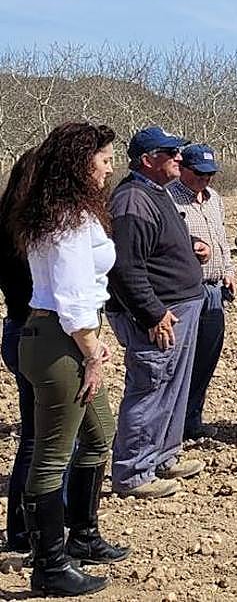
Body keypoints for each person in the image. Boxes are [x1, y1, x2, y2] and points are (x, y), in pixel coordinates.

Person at [9, 122, 128, 596]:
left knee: (99, 435)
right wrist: (92, 351)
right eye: (103, 160)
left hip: (56, 337)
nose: (108, 167)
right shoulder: (69, 219)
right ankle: (49, 565)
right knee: (51, 456)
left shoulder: (54, 211)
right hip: (63, 342)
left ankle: (82, 536)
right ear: (81, 164)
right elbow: (74, 294)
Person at [107, 126, 207, 498]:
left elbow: (154, 247)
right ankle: (134, 471)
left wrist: (191, 246)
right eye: (170, 153)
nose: (179, 158)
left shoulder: (154, 192)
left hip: (179, 306)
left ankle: (163, 455)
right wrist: (151, 313)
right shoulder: (132, 201)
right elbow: (125, 267)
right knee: (151, 385)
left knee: (174, 387)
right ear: (148, 160)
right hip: (159, 314)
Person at [168, 143, 235, 440]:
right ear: (182, 168)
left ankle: (191, 421)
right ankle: (170, 426)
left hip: (214, 291)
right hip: (184, 291)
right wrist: (190, 247)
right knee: (180, 360)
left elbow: (222, 239)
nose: (205, 180)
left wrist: (228, 271)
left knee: (207, 357)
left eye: (210, 174)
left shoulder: (214, 199)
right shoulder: (168, 198)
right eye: (198, 174)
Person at [1, 151, 37, 552]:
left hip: (13, 328)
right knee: (38, 438)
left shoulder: (6, 221)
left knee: (33, 433)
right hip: (35, 331)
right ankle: (26, 530)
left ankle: (22, 528)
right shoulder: (31, 231)